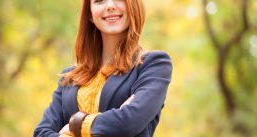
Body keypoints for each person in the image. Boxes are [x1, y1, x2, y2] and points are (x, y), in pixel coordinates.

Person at [34, 0, 172, 136]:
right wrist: (112, 121)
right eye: (99, 1)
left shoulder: (154, 65)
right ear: (90, 14)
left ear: (133, 5)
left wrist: (75, 127)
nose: (110, 5)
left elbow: (129, 122)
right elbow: (41, 133)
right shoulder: (70, 77)